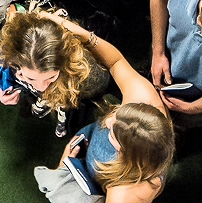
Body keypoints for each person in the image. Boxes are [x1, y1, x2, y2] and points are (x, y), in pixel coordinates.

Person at [33, 11, 174, 202]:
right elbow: (116, 62)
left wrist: (63, 174)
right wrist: (78, 32)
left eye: (113, 133)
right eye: (119, 114)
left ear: (129, 155)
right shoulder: (145, 97)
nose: (108, 121)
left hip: (99, 179)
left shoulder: (126, 192)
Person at [0, 7, 109, 133]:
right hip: (31, 94)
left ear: (65, 64)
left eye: (51, 77)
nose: (41, 87)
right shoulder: (11, 49)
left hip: (71, 97)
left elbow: (96, 90)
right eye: (31, 78)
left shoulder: (87, 74)